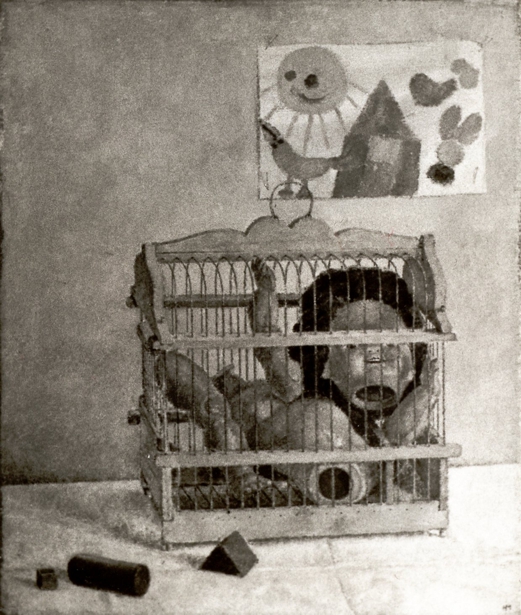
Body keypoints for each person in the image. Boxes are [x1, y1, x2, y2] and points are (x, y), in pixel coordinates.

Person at [164, 259, 440, 501]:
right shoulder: (260, 403)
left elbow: (268, 339)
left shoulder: (296, 392)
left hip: (312, 449)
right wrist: (266, 291)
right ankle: (240, 473)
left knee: (243, 404)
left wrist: (427, 389)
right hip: (259, 442)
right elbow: (267, 339)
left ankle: (243, 470)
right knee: (211, 407)